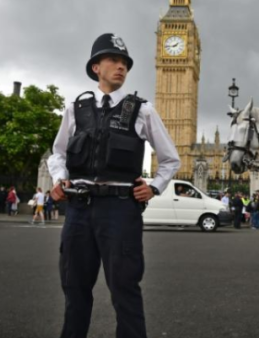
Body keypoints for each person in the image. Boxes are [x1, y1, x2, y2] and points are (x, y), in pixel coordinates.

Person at [47, 33, 180, 338]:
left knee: (125, 293)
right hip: (78, 210)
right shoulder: (75, 109)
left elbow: (171, 159)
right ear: (96, 67)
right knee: (75, 291)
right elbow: (58, 153)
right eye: (114, 61)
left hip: (120, 211)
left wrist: (155, 186)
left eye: (125, 63)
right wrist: (58, 179)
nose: (121, 67)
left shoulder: (141, 110)